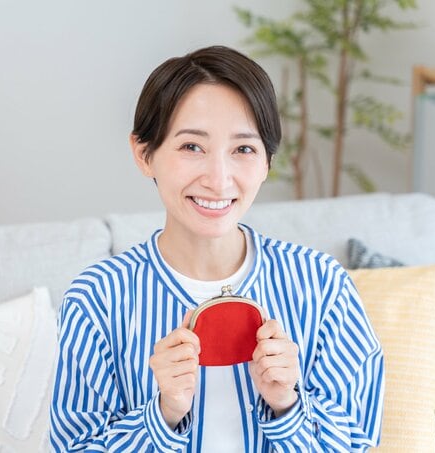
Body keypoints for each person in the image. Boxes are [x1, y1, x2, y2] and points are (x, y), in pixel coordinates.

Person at [49, 45, 384, 452]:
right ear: (144, 154)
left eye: (243, 149)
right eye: (192, 147)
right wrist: (163, 414)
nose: (219, 179)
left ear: (267, 162)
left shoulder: (322, 284)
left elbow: (359, 442)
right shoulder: (97, 298)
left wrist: (287, 405)